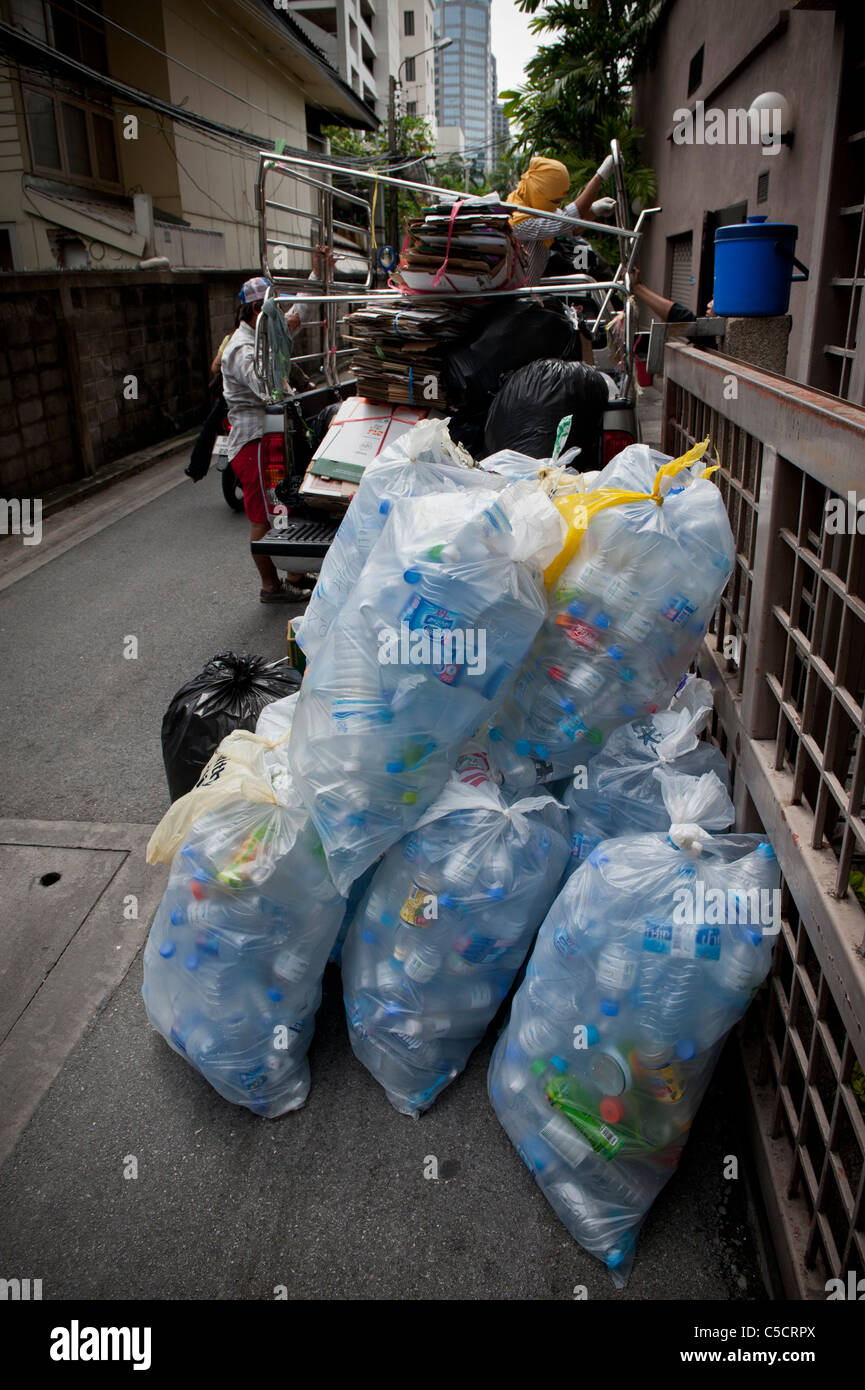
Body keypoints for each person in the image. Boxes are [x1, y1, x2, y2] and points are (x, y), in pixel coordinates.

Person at [221, 274, 319, 603]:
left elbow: (298, 314)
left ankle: (293, 573)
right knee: (263, 517)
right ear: (254, 312)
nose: (281, 317)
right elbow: (266, 388)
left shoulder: (265, 334)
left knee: (283, 506)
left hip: (271, 435)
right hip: (254, 441)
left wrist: (317, 274)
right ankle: (270, 586)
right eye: (272, 310)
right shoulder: (241, 349)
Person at [505, 154, 618, 285]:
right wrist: (599, 177)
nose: (557, 206)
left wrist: (593, 211)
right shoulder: (516, 219)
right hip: (516, 297)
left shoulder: (539, 207)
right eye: (554, 201)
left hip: (530, 291)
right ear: (539, 193)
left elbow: (572, 229)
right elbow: (564, 222)